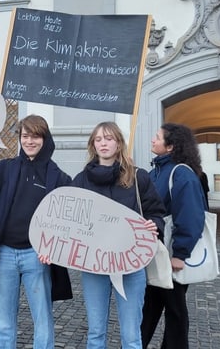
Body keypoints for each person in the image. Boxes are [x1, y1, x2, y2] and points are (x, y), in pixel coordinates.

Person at [0, 114, 73, 349]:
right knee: (3, 324)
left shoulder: (59, 176)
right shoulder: (7, 168)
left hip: (36, 255)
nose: (29, 141)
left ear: (45, 139)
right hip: (4, 255)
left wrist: (54, 246)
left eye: (35, 136)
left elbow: (68, 219)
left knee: (42, 321)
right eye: (25, 136)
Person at [70, 122, 165, 348]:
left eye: (109, 138)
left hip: (131, 265)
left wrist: (155, 225)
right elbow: (70, 220)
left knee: (132, 334)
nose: (104, 143)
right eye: (99, 139)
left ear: (119, 143)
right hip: (94, 265)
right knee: (95, 332)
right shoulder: (82, 180)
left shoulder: (137, 177)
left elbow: (156, 212)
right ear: (93, 144)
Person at [141, 123, 207, 349]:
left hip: (170, 256)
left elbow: (190, 216)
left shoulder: (181, 175)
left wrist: (180, 254)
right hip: (155, 254)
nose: (152, 140)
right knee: (150, 306)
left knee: (175, 311)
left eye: (157, 137)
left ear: (170, 147)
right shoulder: (156, 172)